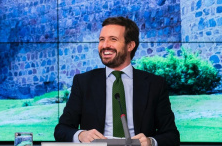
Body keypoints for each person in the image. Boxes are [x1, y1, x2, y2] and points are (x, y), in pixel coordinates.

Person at [54, 17, 179, 146]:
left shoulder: (155, 84)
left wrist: (150, 142)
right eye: (102, 39)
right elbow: (61, 130)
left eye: (113, 39)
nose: (105, 45)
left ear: (130, 45)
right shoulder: (83, 82)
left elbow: (172, 136)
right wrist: (81, 135)